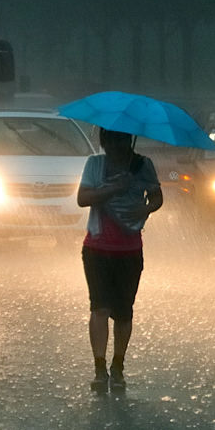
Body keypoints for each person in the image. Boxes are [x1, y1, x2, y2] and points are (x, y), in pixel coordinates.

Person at [76, 128, 163, 393]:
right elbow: (83, 199)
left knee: (124, 312)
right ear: (103, 142)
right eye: (110, 140)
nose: (115, 145)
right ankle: (100, 369)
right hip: (97, 248)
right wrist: (115, 187)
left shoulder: (142, 165)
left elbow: (157, 197)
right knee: (99, 308)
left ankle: (118, 366)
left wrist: (146, 208)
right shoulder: (95, 164)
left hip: (129, 249)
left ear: (129, 140)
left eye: (121, 139)